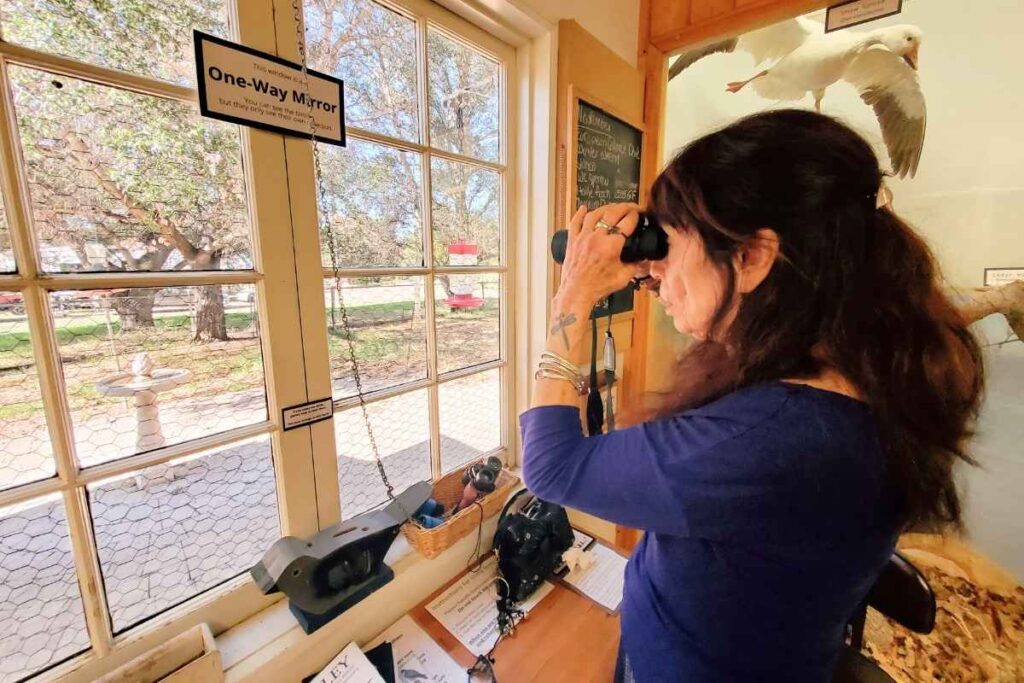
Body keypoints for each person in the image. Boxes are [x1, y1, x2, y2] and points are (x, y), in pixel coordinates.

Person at [520, 109, 984, 682]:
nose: (657, 267)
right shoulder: (850, 365)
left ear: (752, 256)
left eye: (672, 239)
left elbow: (550, 465)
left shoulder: (774, 440)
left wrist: (572, 295)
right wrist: (670, 269)